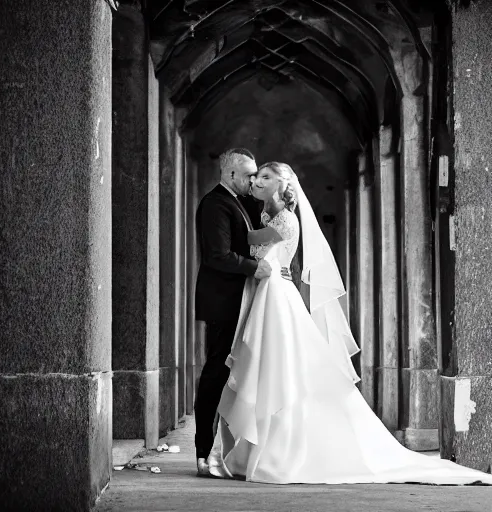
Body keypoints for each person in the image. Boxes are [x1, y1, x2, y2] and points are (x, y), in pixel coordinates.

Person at [207, 161, 492, 485]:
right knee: (266, 371)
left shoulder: (285, 220)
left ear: (281, 184)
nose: (258, 180)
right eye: (257, 176)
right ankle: (258, 448)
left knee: (277, 371)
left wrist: (254, 259)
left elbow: (267, 261)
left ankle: (278, 452)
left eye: (266, 177)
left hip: (275, 297)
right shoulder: (267, 217)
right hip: (267, 296)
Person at [194, 148, 272, 477]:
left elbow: (249, 240)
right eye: (250, 174)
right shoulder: (214, 204)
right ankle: (202, 453)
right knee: (216, 374)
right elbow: (218, 256)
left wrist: (281, 224)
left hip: (236, 303)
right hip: (223, 303)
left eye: (258, 174)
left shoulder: (237, 202)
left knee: (230, 377)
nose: (253, 179)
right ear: (231, 175)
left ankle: (223, 453)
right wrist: (255, 268)